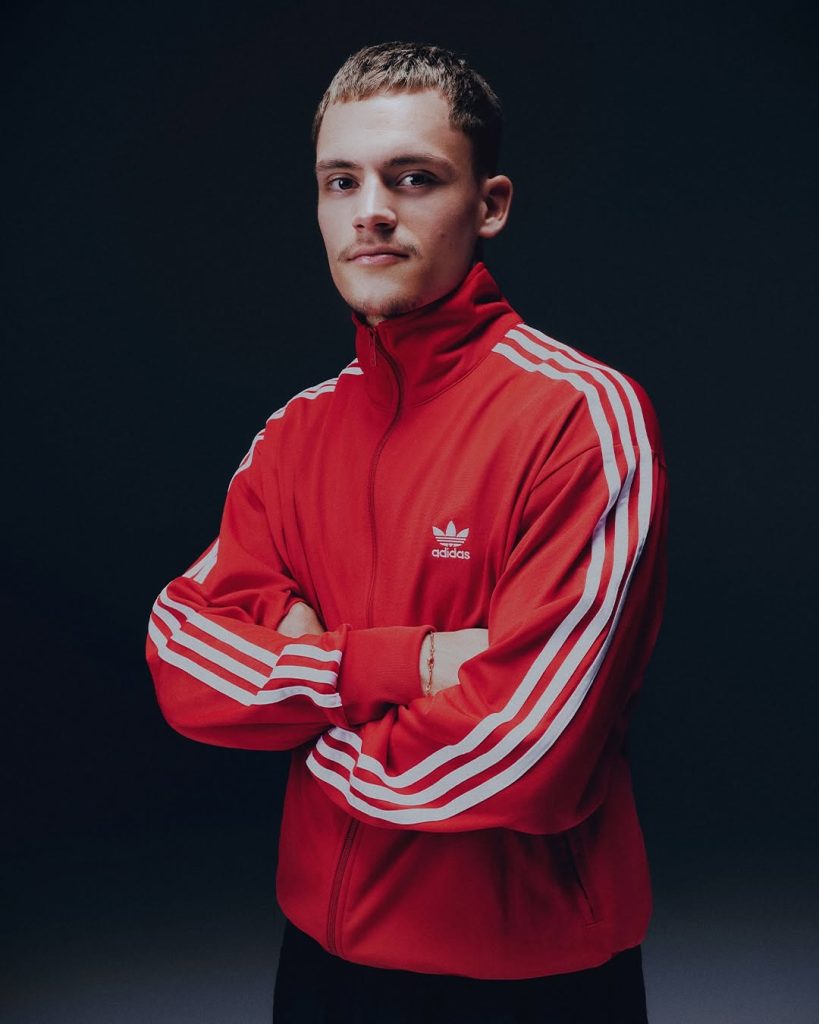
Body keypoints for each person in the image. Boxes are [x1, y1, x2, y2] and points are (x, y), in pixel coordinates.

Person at [146, 40, 669, 1023]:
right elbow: (183, 659)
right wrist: (409, 665)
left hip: (531, 984)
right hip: (320, 970)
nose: (370, 211)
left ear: (490, 204)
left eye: (413, 178)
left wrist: (305, 718)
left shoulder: (581, 416)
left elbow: (528, 753)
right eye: (340, 181)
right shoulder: (293, 436)